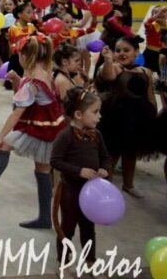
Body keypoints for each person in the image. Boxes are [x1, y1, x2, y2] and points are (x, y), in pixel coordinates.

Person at [0, 34, 66, 229]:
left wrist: (0, 136)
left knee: (3, 146)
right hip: (50, 126)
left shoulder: (31, 82)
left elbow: (16, 113)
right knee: (42, 169)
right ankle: (45, 217)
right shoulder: (44, 72)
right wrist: (17, 80)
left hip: (39, 126)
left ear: (25, 56)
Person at [50, 87, 111, 266]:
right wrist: (79, 171)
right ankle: (63, 260)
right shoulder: (65, 136)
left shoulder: (97, 135)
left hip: (91, 192)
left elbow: (106, 158)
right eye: (95, 112)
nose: (99, 116)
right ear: (78, 114)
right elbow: (55, 161)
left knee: (88, 227)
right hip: (71, 190)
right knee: (67, 227)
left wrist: (104, 170)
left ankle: (90, 260)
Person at [95, 36, 158, 198]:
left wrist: (154, 117)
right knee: (112, 153)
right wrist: (108, 60)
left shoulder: (146, 72)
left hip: (138, 118)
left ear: (136, 52)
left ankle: (128, 184)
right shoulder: (114, 68)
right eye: (118, 51)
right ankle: (105, 185)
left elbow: (150, 96)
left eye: (126, 50)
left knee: (131, 153)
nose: (122, 53)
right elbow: (108, 76)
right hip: (115, 118)